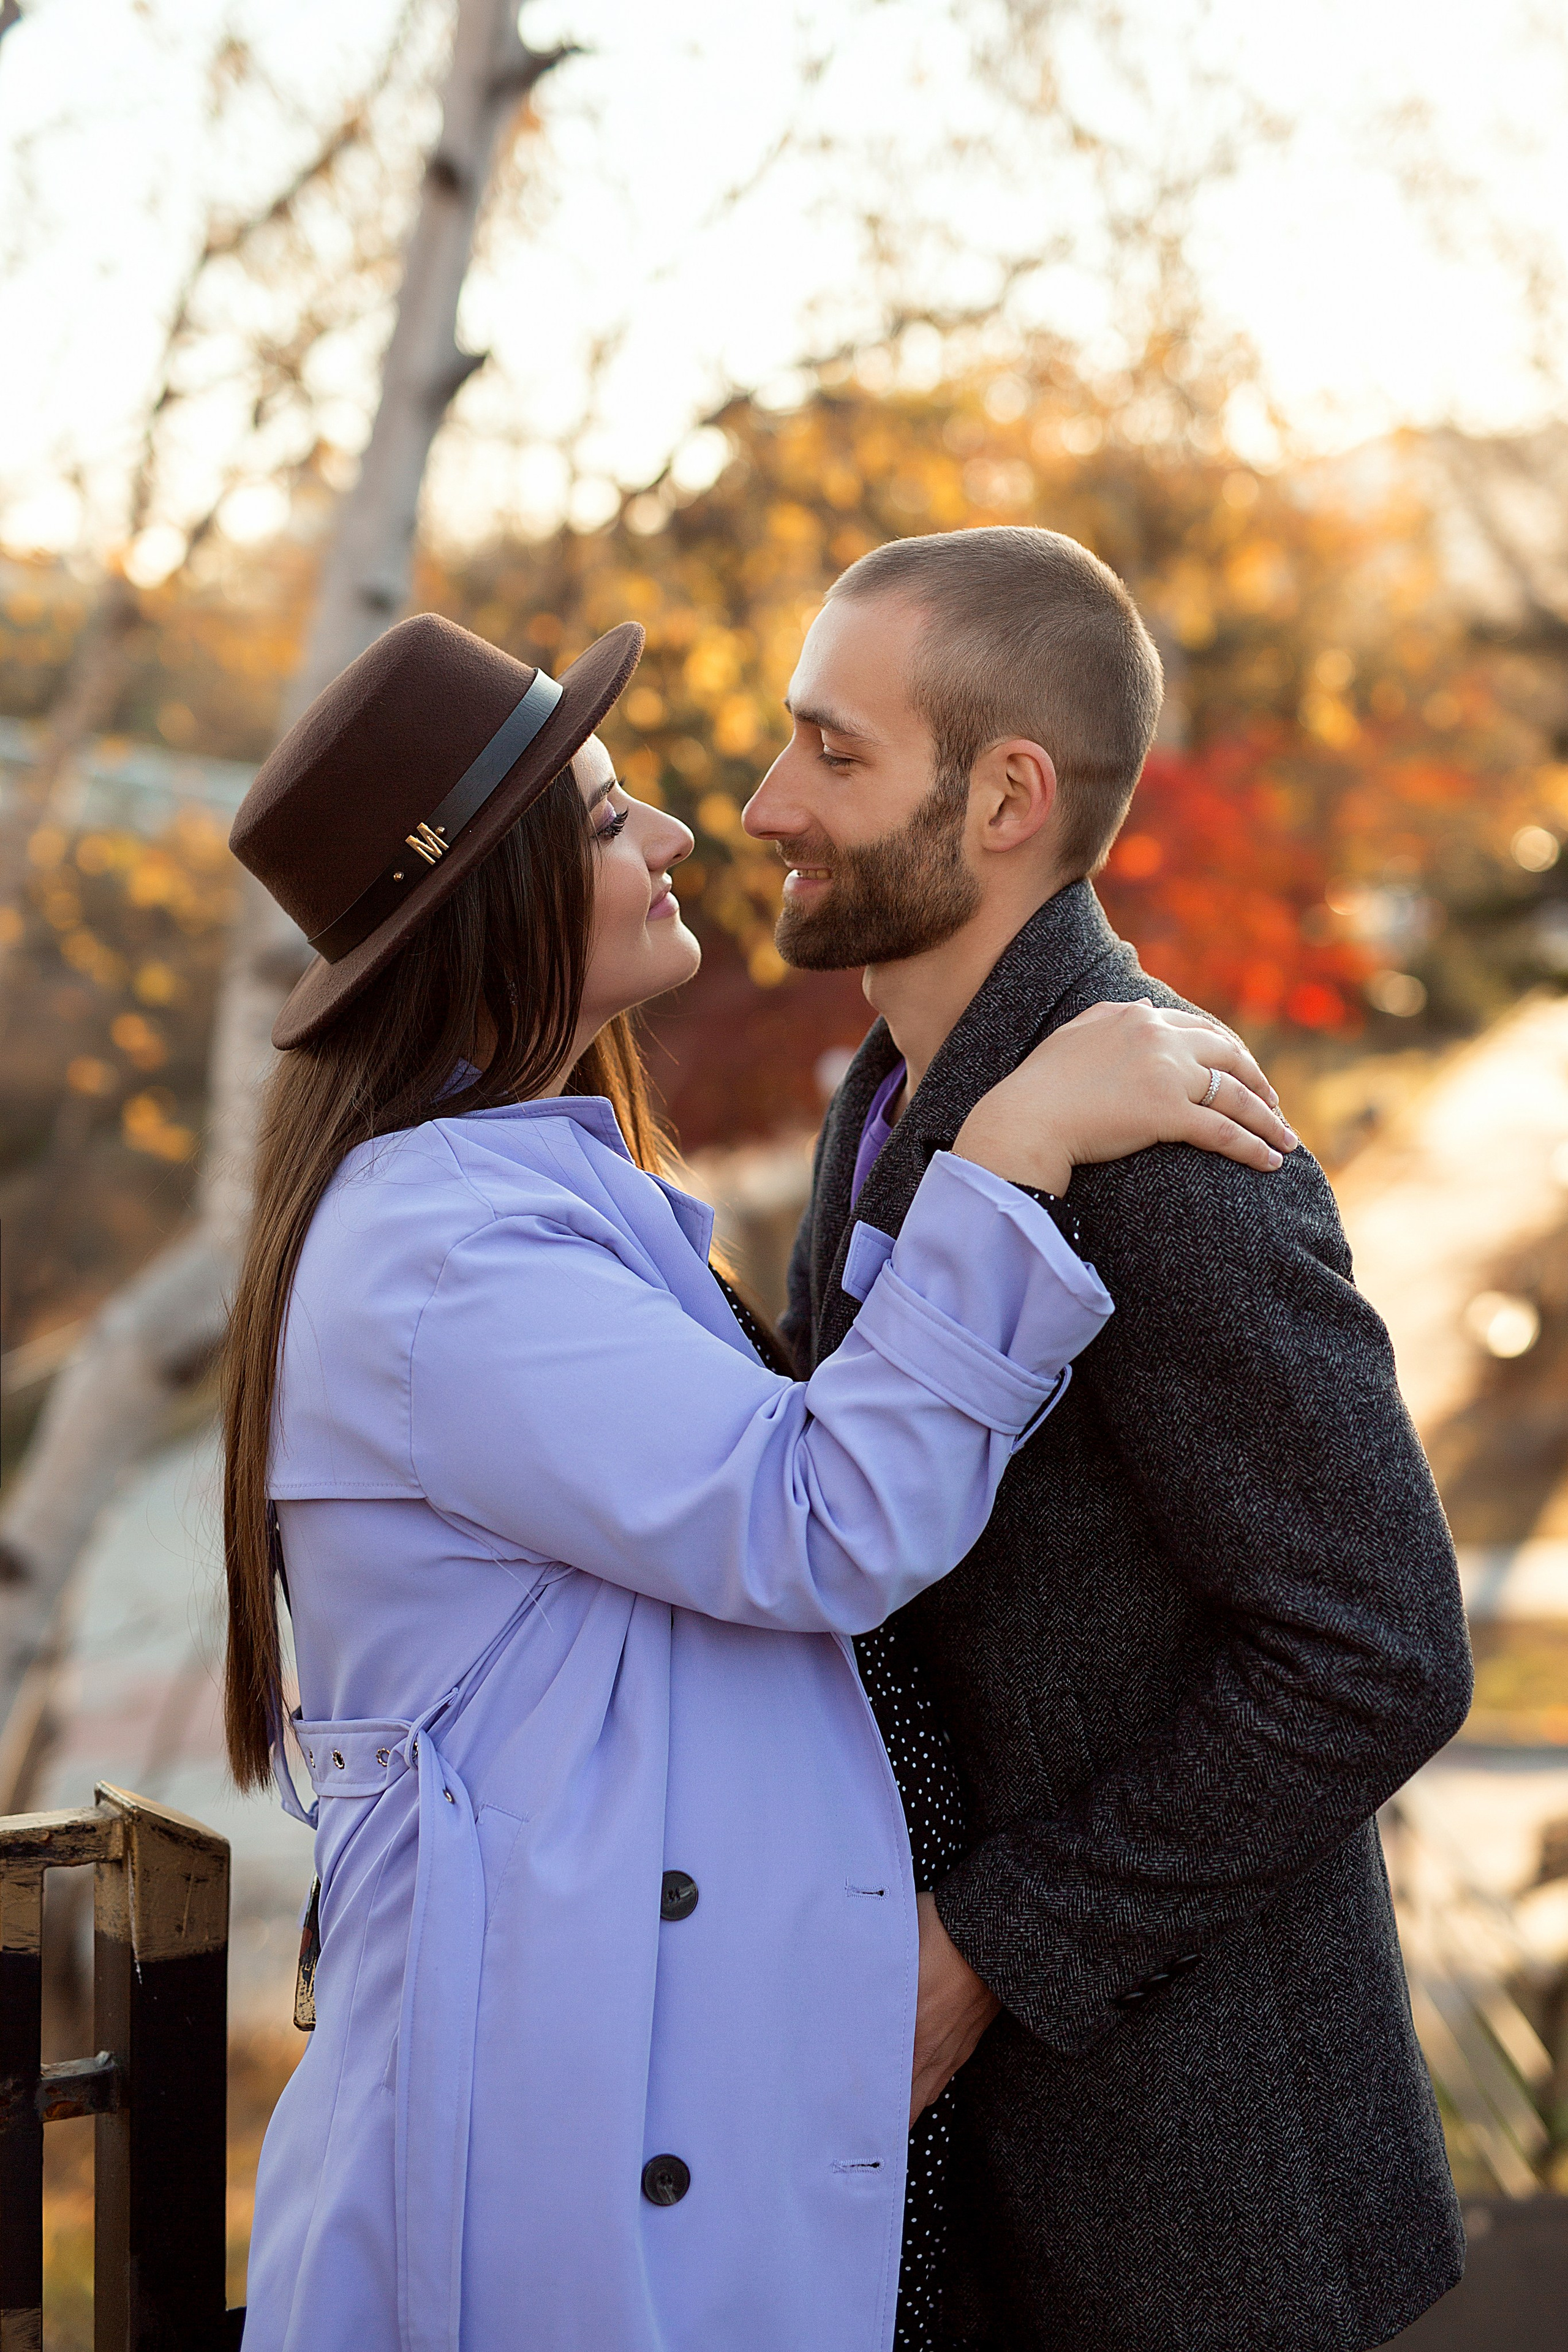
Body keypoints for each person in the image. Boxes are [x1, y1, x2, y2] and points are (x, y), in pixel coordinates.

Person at [223, 610, 1294, 2352]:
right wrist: (1011, 1154)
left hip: (636, 2066)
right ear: (490, 900)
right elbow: (818, 1519)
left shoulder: (524, 1199)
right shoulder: (443, 1256)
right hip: (557, 2138)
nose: (670, 836)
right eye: (603, 813)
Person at [744, 524, 1474, 2352]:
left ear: (1005, 797)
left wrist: (990, 1949)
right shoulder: (887, 1093)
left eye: (836, 753)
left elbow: (1379, 1649)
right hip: (987, 2182)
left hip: (1196, 2203)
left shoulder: (1164, 1129)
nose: (766, 802)